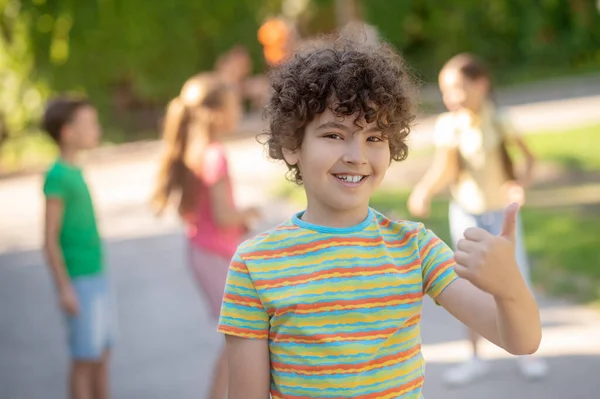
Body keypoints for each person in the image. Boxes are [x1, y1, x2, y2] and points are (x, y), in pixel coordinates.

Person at [217, 36, 542, 399]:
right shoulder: (254, 266)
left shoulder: (416, 248)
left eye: (374, 138)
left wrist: (510, 288)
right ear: (293, 144)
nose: (357, 155)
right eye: (334, 134)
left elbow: (522, 341)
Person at [407, 52, 548, 386]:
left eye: (458, 87)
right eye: (445, 90)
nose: (451, 97)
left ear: (481, 84)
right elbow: (445, 169)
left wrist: (519, 185)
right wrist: (423, 191)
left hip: (502, 217)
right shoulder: (449, 126)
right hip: (467, 214)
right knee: (468, 285)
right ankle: (474, 357)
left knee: (517, 279)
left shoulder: (499, 119)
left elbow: (529, 160)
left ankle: (528, 353)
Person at [152, 73, 260, 399]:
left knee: (242, 335)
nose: (239, 111)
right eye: (234, 106)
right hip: (215, 256)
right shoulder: (214, 155)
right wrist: (249, 213)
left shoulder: (199, 150)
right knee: (241, 335)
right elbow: (224, 214)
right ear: (215, 114)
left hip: (208, 251)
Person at [42, 96, 115, 399]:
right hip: (79, 280)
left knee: (102, 353)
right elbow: (49, 239)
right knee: (84, 359)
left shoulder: (75, 170)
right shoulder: (57, 176)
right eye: (90, 124)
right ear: (67, 132)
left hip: (96, 274)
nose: (96, 129)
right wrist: (64, 288)